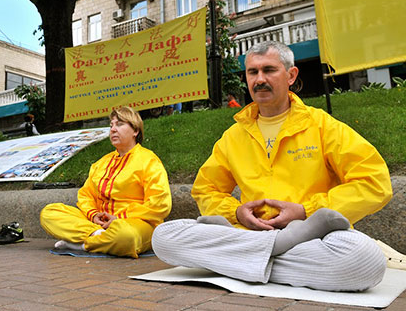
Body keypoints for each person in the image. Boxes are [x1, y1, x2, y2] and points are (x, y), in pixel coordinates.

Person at [152, 41, 392, 291]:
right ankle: (269, 254)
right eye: (252, 72)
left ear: (291, 75)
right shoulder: (234, 136)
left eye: (269, 70)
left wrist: (305, 211)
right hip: (249, 232)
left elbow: (374, 183)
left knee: (364, 259)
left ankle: (236, 263)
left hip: (312, 237)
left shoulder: (322, 125)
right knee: (164, 237)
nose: (259, 79)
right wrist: (236, 213)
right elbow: (205, 189)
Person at [40, 106, 172, 258]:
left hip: (134, 224)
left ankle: (82, 244)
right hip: (98, 224)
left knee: (126, 236)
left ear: (135, 131)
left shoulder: (149, 161)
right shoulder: (101, 163)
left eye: (120, 124)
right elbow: (86, 195)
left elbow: (160, 204)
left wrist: (119, 218)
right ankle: (97, 235)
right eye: (111, 126)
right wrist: (94, 214)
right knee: (49, 213)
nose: (113, 129)